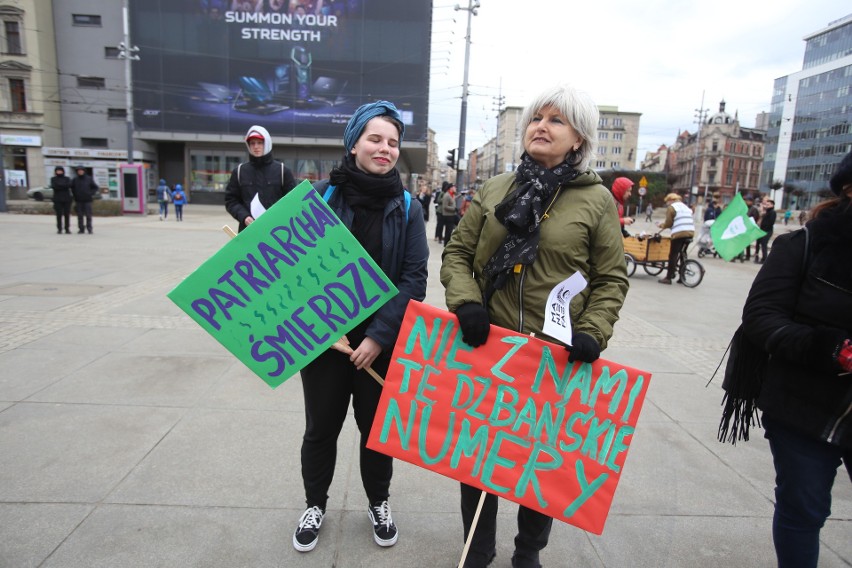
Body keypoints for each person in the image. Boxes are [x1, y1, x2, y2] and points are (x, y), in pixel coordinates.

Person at [440, 84, 629, 568]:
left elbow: (610, 278)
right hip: (489, 348)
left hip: (554, 355)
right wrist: (466, 303)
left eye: (555, 120)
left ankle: (528, 554)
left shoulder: (597, 200)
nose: (540, 127)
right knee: (479, 458)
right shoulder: (495, 189)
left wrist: (593, 331)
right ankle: (477, 551)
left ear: (579, 138)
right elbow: (458, 253)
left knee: (538, 460)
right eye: (535, 118)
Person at [292, 100, 429, 554]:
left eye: (393, 142)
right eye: (375, 139)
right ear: (353, 145)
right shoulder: (317, 199)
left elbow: (414, 279)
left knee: (376, 432)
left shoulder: (408, 207)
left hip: (381, 345)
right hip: (324, 343)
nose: (385, 148)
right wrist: (317, 326)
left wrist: (377, 336)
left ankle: (379, 502)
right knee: (320, 429)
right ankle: (315, 504)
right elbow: (290, 275)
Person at [738, 150, 852, 568]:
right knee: (803, 510)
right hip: (802, 408)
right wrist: (830, 348)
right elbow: (761, 318)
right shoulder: (804, 244)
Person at [225, 125, 297, 232]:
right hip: (248, 231)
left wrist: (278, 218)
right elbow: (231, 200)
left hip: (276, 231)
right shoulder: (240, 171)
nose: (256, 146)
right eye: (252, 143)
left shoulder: (282, 171)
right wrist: (244, 217)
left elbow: (293, 201)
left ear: (267, 143)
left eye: (260, 142)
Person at [656, 192, 695, 284]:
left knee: (673, 254)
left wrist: (661, 225)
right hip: (690, 232)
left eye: (667, 202)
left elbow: (669, 223)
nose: (667, 204)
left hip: (679, 234)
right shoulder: (685, 207)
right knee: (683, 254)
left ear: (671, 200)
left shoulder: (672, 207)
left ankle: (668, 277)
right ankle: (682, 277)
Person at [71, 166, 98, 234]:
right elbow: (72, 188)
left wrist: (90, 193)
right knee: (80, 215)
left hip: (87, 200)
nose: (80, 172)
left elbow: (95, 187)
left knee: (88, 215)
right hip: (78, 200)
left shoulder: (89, 179)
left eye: (81, 170)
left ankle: (89, 228)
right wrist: (75, 195)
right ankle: (81, 229)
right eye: (79, 171)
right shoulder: (75, 179)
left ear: (84, 171)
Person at [50, 166, 73, 234]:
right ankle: (59, 228)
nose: (59, 172)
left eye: (60, 170)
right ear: (55, 172)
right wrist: (63, 186)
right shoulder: (53, 179)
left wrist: (60, 185)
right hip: (57, 199)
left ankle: (67, 228)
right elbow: (54, 186)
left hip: (67, 199)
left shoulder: (67, 178)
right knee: (59, 215)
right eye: (57, 171)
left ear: (63, 171)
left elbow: (68, 185)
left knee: (67, 214)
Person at [754, 198, 777, 264]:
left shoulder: (772, 212)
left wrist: (765, 228)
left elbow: (771, 222)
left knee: (764, 244)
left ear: (772, 205)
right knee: (760, 243)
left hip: (767, 231)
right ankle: (759, 257)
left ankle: (764, 259)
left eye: (768, 204)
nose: (766, 206)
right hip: (762, 230)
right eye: (766, 204)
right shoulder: (767, 212)